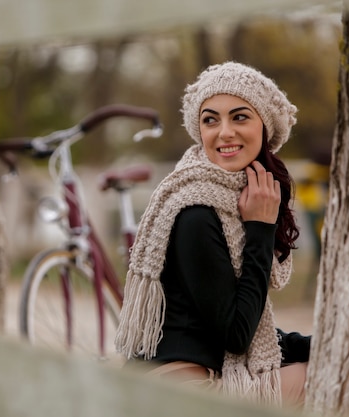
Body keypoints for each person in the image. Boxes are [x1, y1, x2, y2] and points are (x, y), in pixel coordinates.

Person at [114, 62, 311, 408]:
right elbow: (237, 337)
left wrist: (326, 343)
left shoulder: (234, 202)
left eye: (239, 117)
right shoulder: (194, 212)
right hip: (181, 393)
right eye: (210, 120)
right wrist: (260, 230)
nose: (224, 132)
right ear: (199, 130)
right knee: (331, 378)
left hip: (199, 377)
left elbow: (254, 332)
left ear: (264, 127)